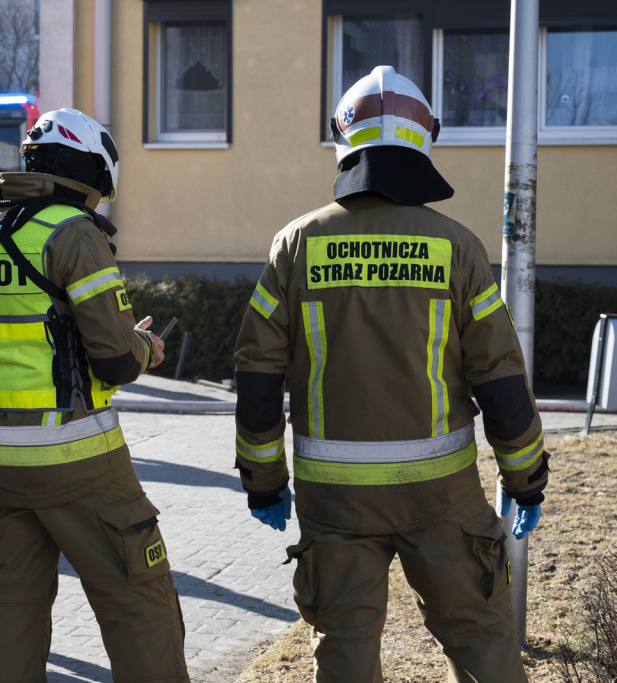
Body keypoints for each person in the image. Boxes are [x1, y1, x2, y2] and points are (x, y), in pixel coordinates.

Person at [233, 66, 549, 683]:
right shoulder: (457, 247)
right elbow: (499, 376)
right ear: (425, 138)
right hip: (441, 494)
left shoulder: (295, 245)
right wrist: (526, 478)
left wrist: (264, 482)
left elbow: (257, 373)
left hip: (334, 499)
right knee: (480, 635)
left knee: (345, 646)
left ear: (342, 139)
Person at [0, 108, 189, 682]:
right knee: (139, 602)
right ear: (91, 173)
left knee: (9, 614)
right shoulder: (73, 233)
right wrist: (144, 346)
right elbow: (116, 359)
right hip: (81, 461)